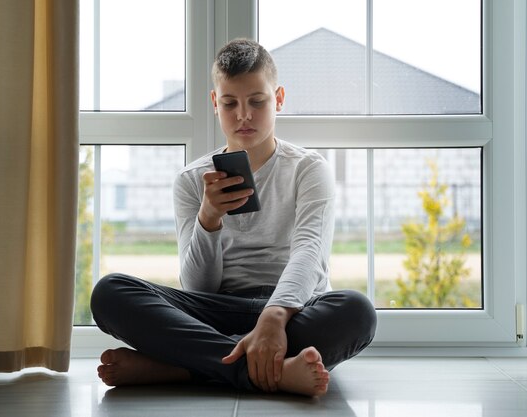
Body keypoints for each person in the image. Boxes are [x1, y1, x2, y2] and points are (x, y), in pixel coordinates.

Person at [90, 38, 377, 397]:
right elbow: (198, 288)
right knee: (110, 292)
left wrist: (274, 317)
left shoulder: (308, 169)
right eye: (230, 103)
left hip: (293, 311)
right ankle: (268, 372)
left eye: (257, 102)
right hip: (218, 307)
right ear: (214, 103)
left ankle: (182, 367)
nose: (244, 115)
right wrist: (208, 218)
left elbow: (309, 253)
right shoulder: (191, 181)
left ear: (280, 99)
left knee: (356, 311)